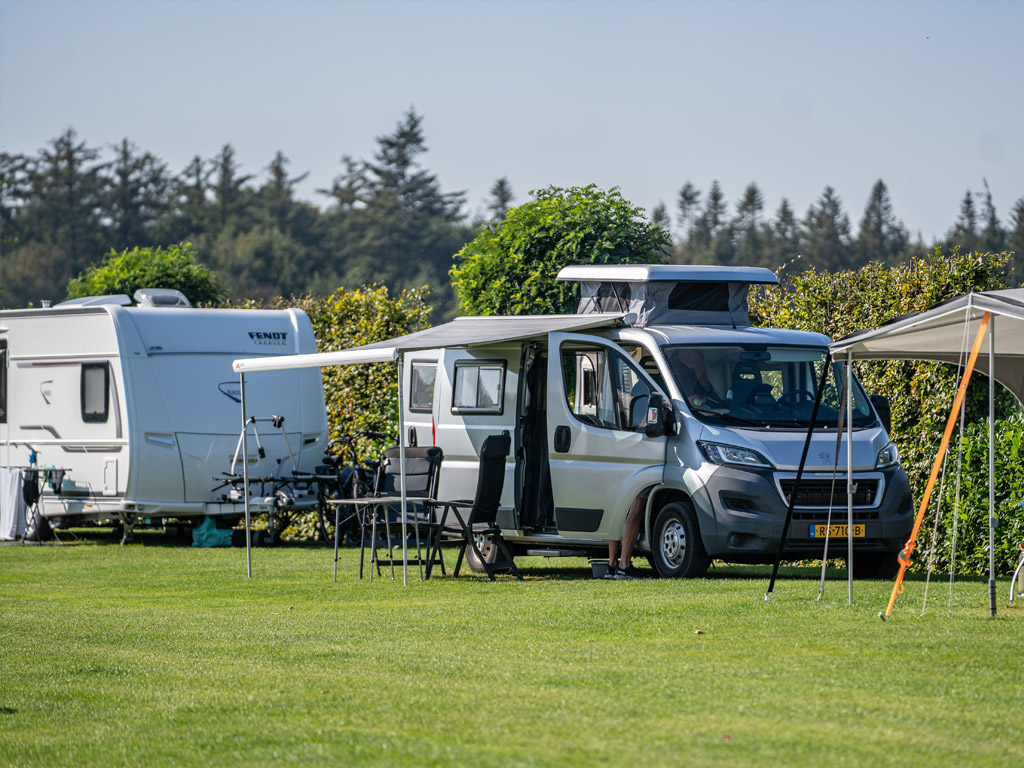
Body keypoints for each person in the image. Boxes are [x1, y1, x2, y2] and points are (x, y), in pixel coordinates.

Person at [604, 490, 648, 579]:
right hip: (636, 476)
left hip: (618, 478)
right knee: (636, 508)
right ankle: (624, 566)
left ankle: (612, 565)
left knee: (617, 511)